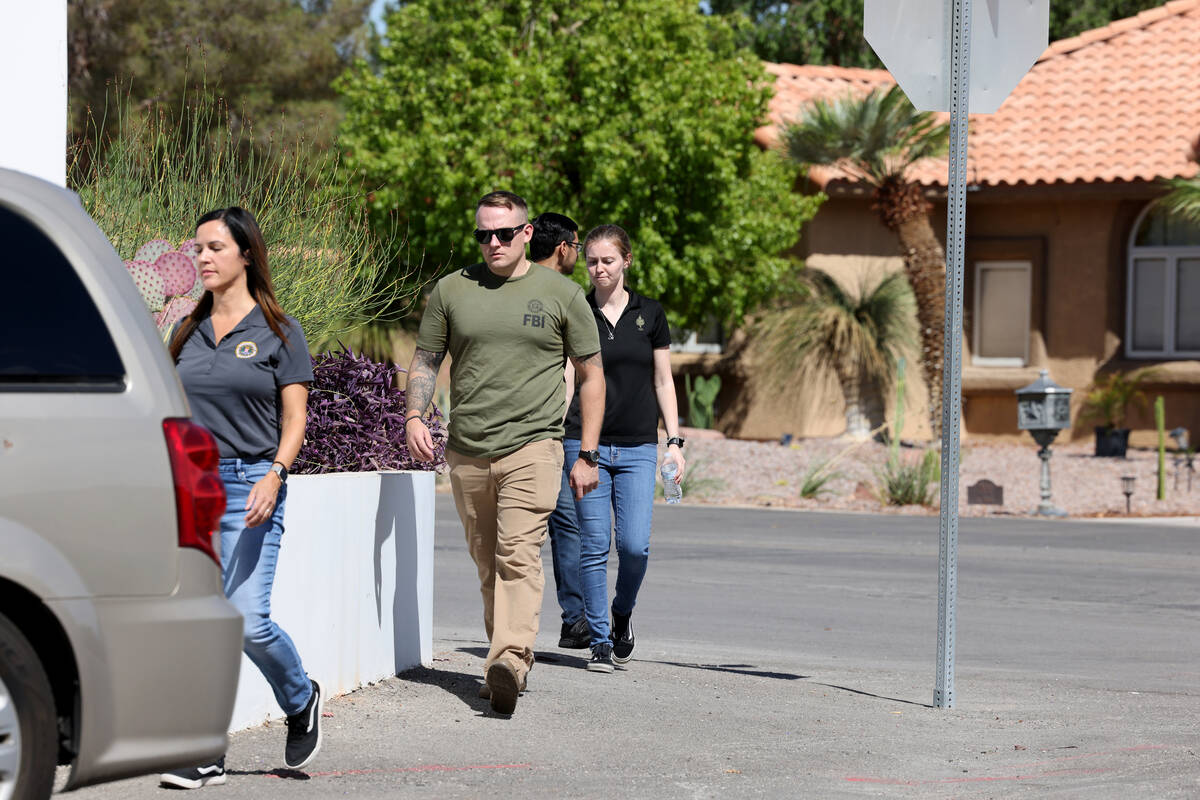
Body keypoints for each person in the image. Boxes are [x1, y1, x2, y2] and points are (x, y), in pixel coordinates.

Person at [404, 191, 605, 714]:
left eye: (503, 233)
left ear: (527, 233)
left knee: (518, 554)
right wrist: (413, 415)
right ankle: (501, 662)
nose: (492, 243)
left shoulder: (562, 294)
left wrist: (587, 451)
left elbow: (592, 375)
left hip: (534, 445)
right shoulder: (452, 289)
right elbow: (426, 360)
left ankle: (512, 659)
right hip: (468, 448)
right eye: (483, 235)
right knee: (487, 561)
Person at [160, 207, 322, 788]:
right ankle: (205, 750)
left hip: (251, 483)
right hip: (191, 486)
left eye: (214, 248)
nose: (201, 257)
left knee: (248, 621)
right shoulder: (184, 330)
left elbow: (296, 418)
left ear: (246, 254)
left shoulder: (279, 332)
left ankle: (300, 697)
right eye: (196, 248)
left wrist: (275, 474)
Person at [563, 224, 685, 673]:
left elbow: (663, 380)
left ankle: (621, 614)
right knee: (593, 546)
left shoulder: (649, 313)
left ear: (626, 261)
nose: (598, 269)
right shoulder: (576, 310)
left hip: (637, 447)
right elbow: (566, 377)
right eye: (592, 260)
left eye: (607, 260)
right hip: (584, 443)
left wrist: (674, 442)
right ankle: (599, 641)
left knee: (634, 547)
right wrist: (555, 431)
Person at [528, 211, 589, 649]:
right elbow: (571, 369)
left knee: (549, 526)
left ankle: (572, 618)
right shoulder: (567, 295)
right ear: (564, 246)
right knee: (565, 524)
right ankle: (574, 618)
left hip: (524, 428)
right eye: (579, 247)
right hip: (551, 432)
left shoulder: (514, 285)